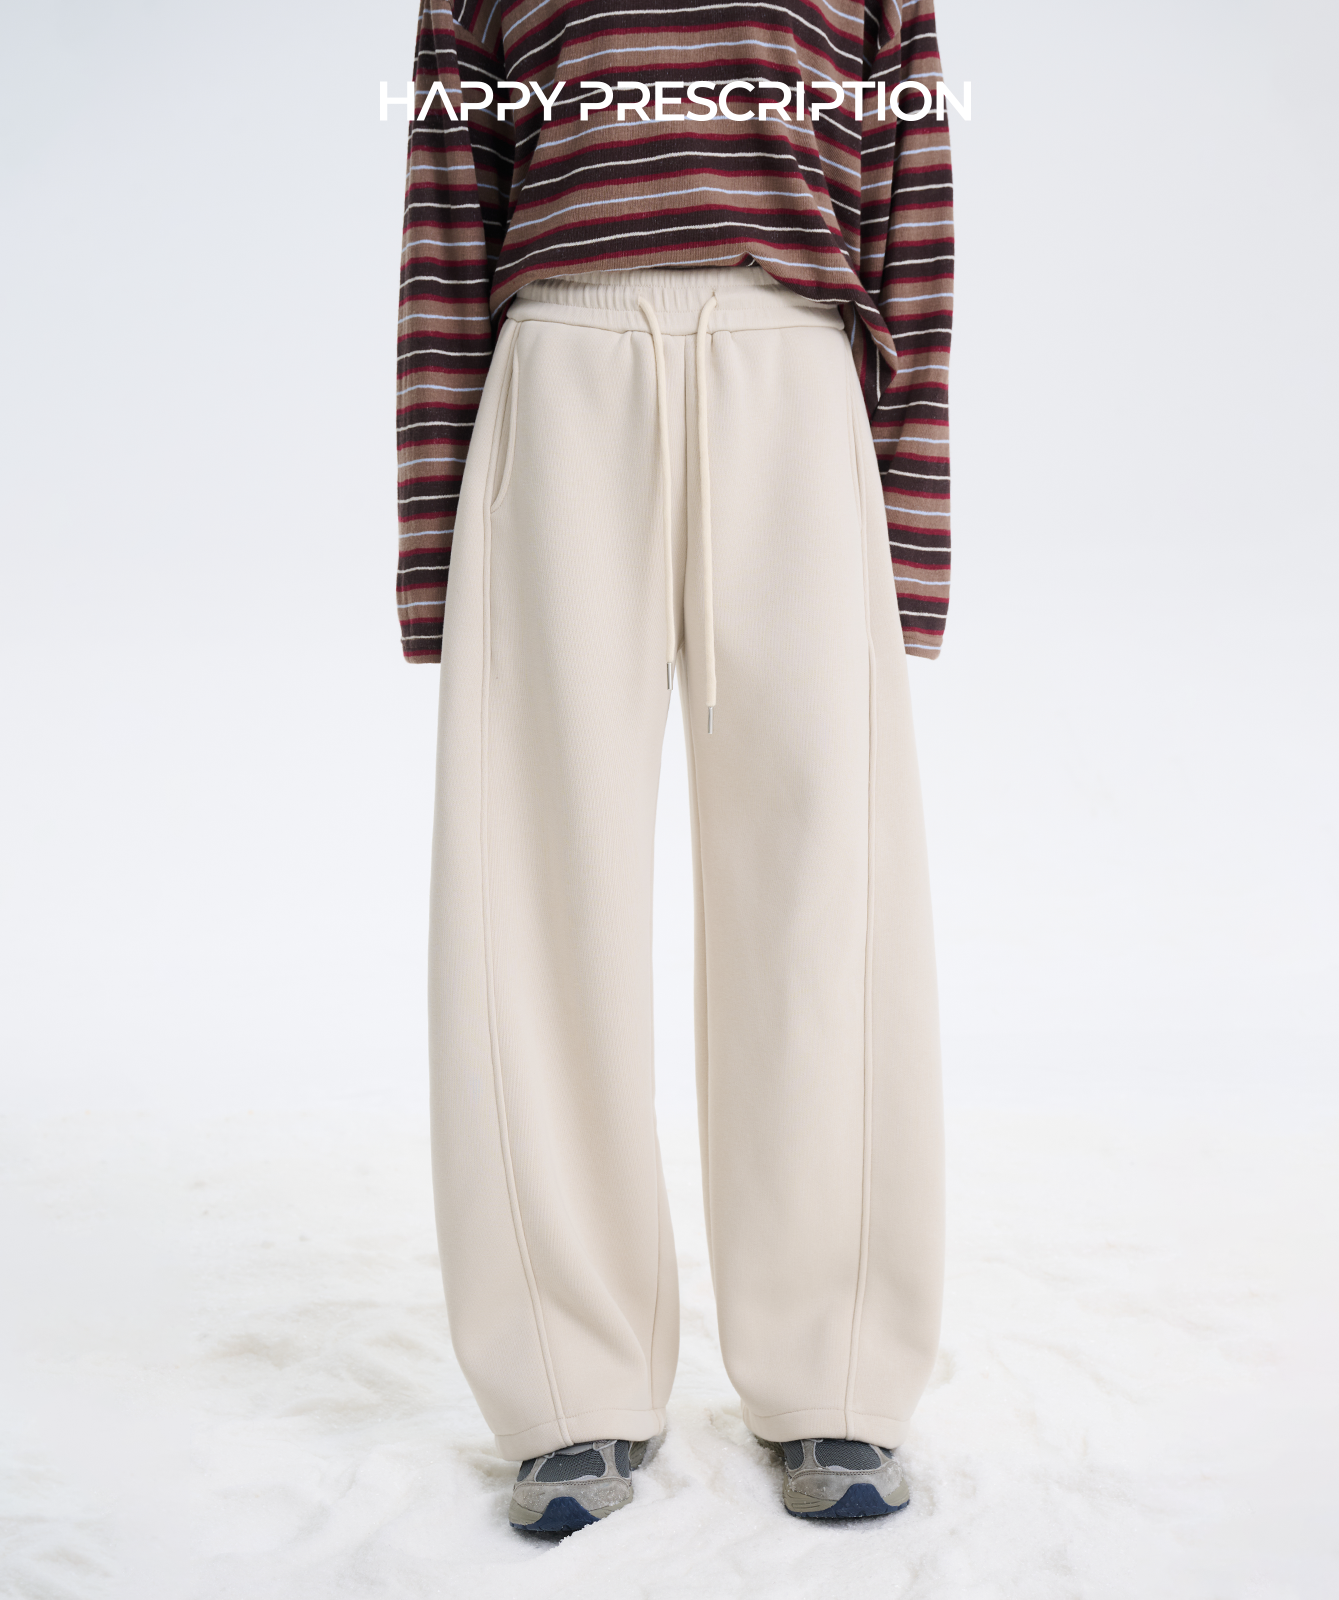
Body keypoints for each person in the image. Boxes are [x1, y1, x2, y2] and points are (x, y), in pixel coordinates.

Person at [394, 0, 954, 1534]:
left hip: (796, 363)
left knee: (825, 892)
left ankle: (837, 1371)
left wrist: (906, 539)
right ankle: (565, 1386)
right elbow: (446, 220)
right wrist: (439, 553)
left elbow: (910, 208)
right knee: (534, 895)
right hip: (558, 365)